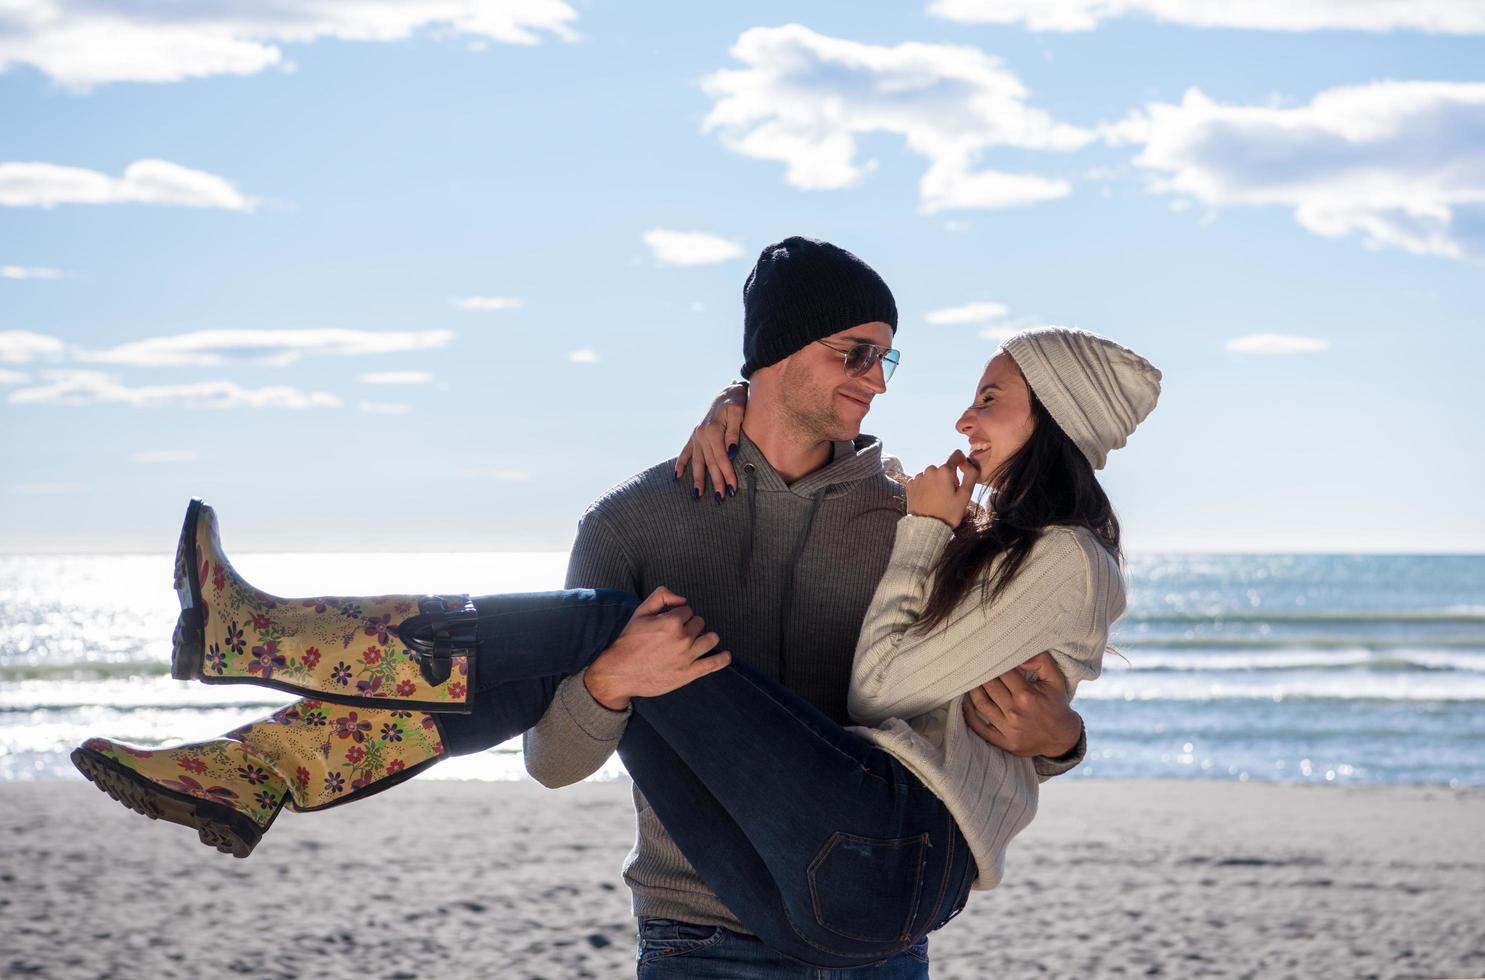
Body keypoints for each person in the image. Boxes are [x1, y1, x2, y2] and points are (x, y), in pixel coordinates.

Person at [71, 239, 1158, 976]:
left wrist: (1063, 737)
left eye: (887, 358)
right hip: (702, 926)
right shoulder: (638, 519)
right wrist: (604, 688)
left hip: (867, 933)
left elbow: (1006, 677)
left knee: (599, 612)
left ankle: (265, 695)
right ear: (775, 354)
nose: (880, 382)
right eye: (855, 353)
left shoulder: (919, 524)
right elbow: (549, 756)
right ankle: (262, 762)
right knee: (602, 624)